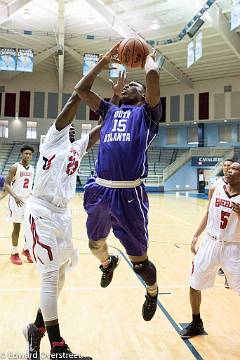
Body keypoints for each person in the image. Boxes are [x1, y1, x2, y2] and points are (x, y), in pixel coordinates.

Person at [75, 43, 161, 321]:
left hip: (128, 193)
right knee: (93, 244)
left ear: (143, 95)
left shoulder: (148, 115)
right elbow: (80, 91)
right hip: (99, 188)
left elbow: (153, 78)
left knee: (140, 263)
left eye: (134, 85)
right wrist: (102, 62)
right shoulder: (109, 111)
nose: (128, 86)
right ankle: (107, 263)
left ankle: (152, 291)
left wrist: (147, 58)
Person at [180, 161, 240, 339]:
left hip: (234, 247)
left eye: (235, 168)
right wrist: (196, 235)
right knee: (194, 283)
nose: (228, 170)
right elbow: (208, 213)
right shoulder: (216, 189)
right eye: (228, 168)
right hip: (211, 243)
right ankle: (196, 322)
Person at [4, 145, 35, 265]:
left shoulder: (32, 168)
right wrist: (15, 196)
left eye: (30, 154)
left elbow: (29, 185)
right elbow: (6, 184)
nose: (27, 155)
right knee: (17, 227)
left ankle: (26, 249)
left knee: (29, 226)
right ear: (21, 154)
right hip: (16, 201)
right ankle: (14, 253)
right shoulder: (15, 167)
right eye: (25, 153)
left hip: (28, 201)